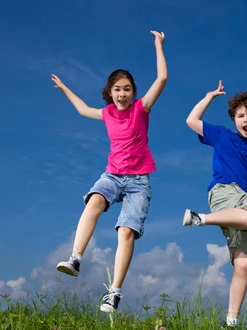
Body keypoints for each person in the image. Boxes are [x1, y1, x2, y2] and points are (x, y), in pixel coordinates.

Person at [51, 30, 168, 312]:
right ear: (110, 92)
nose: (122, 93)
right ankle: (75, 259)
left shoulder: (142, 109)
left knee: (126, 231)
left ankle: (114, 293)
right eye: (117, 89)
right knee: (94, 201)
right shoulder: (107, 113)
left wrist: (158, 46)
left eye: (127, 88)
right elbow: (82, 110)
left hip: (139, 181)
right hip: (113, 175)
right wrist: (66, 89)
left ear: (133, 92)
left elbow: (162, 78)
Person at [182, 80, 247, 326]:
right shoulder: (222, 135)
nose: (246, 120)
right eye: (241, 115)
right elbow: (191, 121)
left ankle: (231, 322)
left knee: (243, 263)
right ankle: (200, 218)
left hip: (240, 206)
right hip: (224, 192)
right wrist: (208, 96)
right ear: (233, 119)